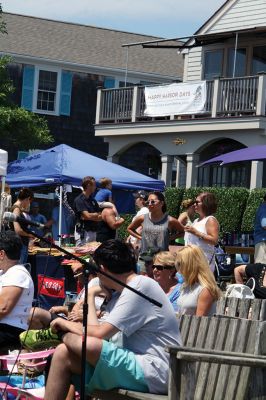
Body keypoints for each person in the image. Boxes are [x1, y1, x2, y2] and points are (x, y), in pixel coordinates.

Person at [30, 239, 181, 398]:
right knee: (63, 353)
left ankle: (59, 335)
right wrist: (90, 294)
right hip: (138, 365)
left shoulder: (140, 286)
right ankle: (61, 338)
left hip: (156, 370)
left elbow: (100, 334)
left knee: (88, 344)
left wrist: (64, 325)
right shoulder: (122, 291)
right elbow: (96, 330)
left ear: (102, 269)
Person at [127, 191, 184, 276]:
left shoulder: (170, 220)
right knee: (144, 283)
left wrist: (169, 238)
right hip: (145, 257)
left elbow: (182, 232)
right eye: (148, 202)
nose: (150, 204)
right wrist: (140, 237)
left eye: (153, 201)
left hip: (162, 259)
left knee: (161, 282)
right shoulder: (142, 218)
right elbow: (130, 228)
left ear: (162, 203)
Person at [0, 230, 34, 351]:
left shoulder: (18, 273)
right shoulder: (5, 273)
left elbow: (3, 308)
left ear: (2, 254)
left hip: (10, 330)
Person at [175, 245, 221, 316]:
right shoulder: (186, 286)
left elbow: (199, 323)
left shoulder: (205, 290)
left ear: (190, 265)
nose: (178, 269)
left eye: (180, 264)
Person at [184, 192, 219, 272]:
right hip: (191, 260)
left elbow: (214, 240)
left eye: (197, 202)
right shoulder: (196, 220)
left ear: (206, 203)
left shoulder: (210, 220)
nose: (194, 205)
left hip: (203, 262)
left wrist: (196, 232)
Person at [73, 176, 102, 246]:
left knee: (91, 254)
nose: (95, 187)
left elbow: (101, 216)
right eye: (94, 185)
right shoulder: (79, 200)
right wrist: (95, 215)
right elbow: (86, 216)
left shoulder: (93, 200)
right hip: (83, 232)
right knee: (82, 255)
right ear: (89, 185)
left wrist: (91, 216)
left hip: (93, 231)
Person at [11, 188, 35, 264]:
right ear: (28, 199)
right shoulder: (16, 209)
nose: (29, 204)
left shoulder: (17, 209)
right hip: (20, 245)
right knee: (20, 267)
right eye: (29, 202)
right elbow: (17, 230)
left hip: (21, 244)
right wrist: (29, 235)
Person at [253, 194, 266, 264]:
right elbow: (264, 224)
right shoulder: (264, 208)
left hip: (262, 242)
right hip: (262, 242)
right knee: (261, 269)